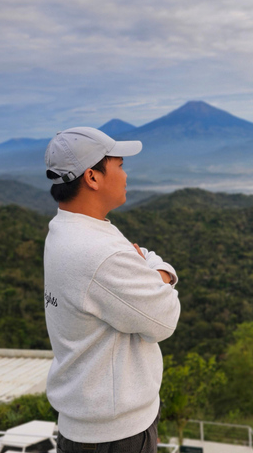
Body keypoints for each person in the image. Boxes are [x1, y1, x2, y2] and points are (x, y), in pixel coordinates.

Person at [43, 127, 181, 453]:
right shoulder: (99, 252)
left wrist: (144, 269)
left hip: (86, 425)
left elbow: (138, 258)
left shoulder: (65, 231)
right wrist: (161, 273)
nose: (125, 174)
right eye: (119, 165)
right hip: (116, 435)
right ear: (92, 177)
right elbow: (165, 319)